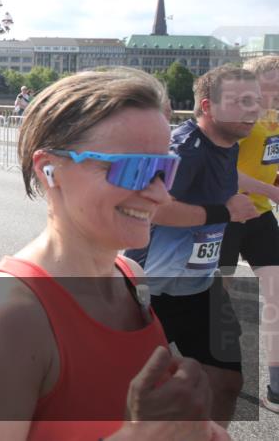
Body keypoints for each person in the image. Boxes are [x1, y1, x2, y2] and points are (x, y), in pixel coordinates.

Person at [0, 68, 225, 441]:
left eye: (165, 169)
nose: (159, 195)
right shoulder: (16, 312)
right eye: (132, 169)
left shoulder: (132, 277)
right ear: (49, 170)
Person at [125, 65, 261, 426]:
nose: (252, 110)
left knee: (227, 379)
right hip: (152, 287)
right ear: (209, 106)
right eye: (240, 101)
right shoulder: (185, 149)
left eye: (255, 102)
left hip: (198, 285)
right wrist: (224, 210)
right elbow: (152, 209)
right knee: (127, 389)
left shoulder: (228, 145)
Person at [221, 55, 279, 412]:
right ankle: (198, 371)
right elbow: (223, 172)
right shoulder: (243, 119)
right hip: (224, 216)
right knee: (212, 302)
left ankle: (276, 385)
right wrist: (273, 192)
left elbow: (271, 167)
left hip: (259, 217)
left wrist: (273, 188)